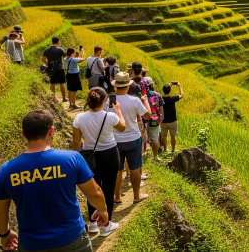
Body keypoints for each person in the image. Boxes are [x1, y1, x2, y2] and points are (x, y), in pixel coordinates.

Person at [0, 109, 109, 252]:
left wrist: (4, 233)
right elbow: (95, 193)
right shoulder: (72, 159)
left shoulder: (6, 170)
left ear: (24, 135)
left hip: (31, 245)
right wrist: (102, 210)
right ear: (51, 131)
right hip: (72, 240)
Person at [72, 88, 126, 237]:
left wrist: (75, 161)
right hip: (109, 154)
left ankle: (93, 223)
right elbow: (123, 128)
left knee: (92, 190)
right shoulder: (110, 117)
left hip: (89, 157)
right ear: (105, 100)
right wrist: (118, 111)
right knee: (108, 189)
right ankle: (106, 225)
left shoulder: (79, 118)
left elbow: (76, 144)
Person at [106, 72, 150, 205]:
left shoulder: (108, 101)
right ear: (128, 86)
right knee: (135, 168)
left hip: (114, 139)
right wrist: (145, 102)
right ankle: (136, 196)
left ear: (115, 87)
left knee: (118, 170)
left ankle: (117, 197)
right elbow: (147, 116)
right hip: (132, 137)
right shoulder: (134, 100)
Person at [42, 37, 68, 103]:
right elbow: (65, 58)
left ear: (52, 41)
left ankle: (53, 99)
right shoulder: (60, 49)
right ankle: (64, 98)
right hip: (59, 67)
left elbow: (43, 59)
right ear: (58, 41)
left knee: (52, 83)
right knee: (62, 82)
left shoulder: (47, 50)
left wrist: (49, 62)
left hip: (50, 68)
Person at [160, 82, 182, 153]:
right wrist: (179, 86)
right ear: (170, 91)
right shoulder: (172, 98)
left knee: (164, 135)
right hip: (172, 120)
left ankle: (165, 149)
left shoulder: (161, 99)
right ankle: (173, 149)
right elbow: (181, 95)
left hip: (163, 121)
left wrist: (168, 87)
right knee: (173, 135)